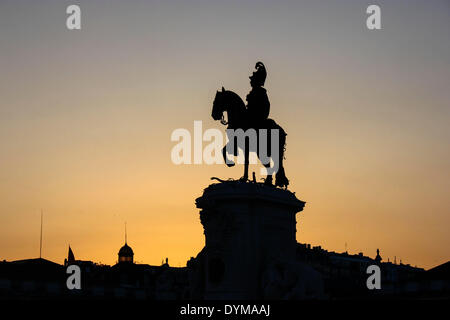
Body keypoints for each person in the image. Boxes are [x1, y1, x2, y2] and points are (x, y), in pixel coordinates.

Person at [246, 62, 270, 129]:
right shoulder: (253, 92)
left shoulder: (260, 93)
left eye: (252, 79)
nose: (250, 81)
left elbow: (264, 107)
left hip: (257, 119)